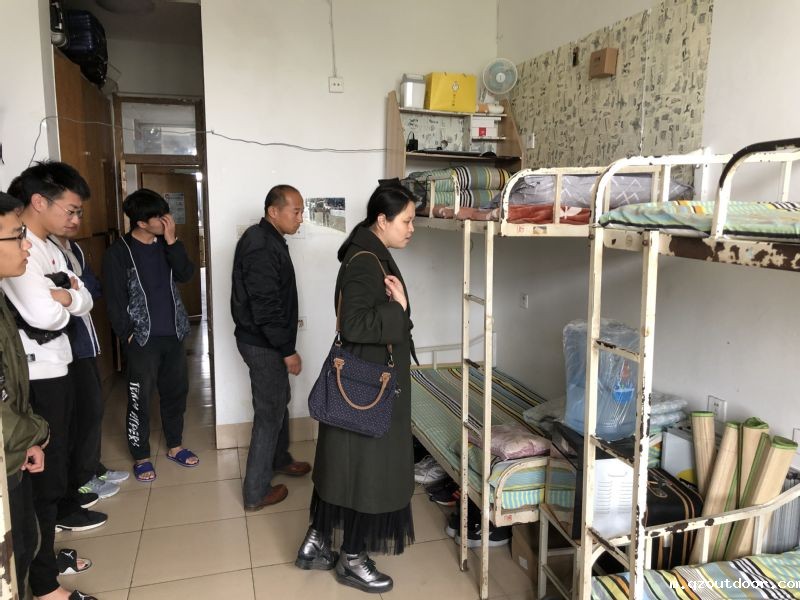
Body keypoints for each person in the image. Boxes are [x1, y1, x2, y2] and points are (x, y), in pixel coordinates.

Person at [295, 181, 417, 593]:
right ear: (382, 220)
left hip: (359, 384)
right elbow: (354, 324)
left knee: (343, 467)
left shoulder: (366, 251)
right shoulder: (367, 260)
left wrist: (396, 311)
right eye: (406, 221)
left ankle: (316, 543)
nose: (411, 229)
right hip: (369, 389)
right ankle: (351, 558)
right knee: (367, 474)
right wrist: (400, 310)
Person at [4, 162, 104, 600]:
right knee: (40, 483)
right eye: (71, 209)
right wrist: (65, 299)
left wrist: (65, 295)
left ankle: (44, 561)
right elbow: (46, 315)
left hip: (57, 367)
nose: (76, 219)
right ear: (39, 201)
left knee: (53, 471)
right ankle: (44, 583)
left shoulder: (51, 248)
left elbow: (85, 298)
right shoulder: (20, 251)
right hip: (37, 376)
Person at [102, 189, 197, 483]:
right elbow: (114, 299)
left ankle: (175, 445)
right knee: (139, 397)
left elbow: (186, 274)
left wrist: (172, 242)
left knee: (176, 392)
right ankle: (141, 456)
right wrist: (127, 334)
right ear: (142, 223)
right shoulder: (119, 253)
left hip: (174, 332)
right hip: (142, 338)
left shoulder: (167, 245)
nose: (166, 220)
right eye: (159, 217)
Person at [231, 184, 311, 511]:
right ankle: (256, 492)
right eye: (296, 211)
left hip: (265, 341)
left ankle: (280, 459)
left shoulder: (269, 239)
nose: (301, 218)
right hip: (263, 344)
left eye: (302, 211)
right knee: (269, 413)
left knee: (279, 401)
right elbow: (265, 306)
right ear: (273, 211)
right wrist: (287, 350)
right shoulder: (261, 245)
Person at [49, 232, 129, 500]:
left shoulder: (74, 248)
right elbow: (63, 296)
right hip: (68, 346)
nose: (75, 219)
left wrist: (75, 289)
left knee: (93, 409)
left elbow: (93, 288)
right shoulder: (44, 249)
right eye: (69, 212)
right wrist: (76, 290)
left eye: (78, 213)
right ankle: (82, 479)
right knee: (84, 411)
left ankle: (92, 467)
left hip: (85, 342)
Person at [0, 191, 51, 597]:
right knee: (13, 557)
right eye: (17, 236)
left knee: (23, 545)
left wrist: (28, 437)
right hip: (8, 450)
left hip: (13, 452)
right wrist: (35, 431)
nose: (26, 245)